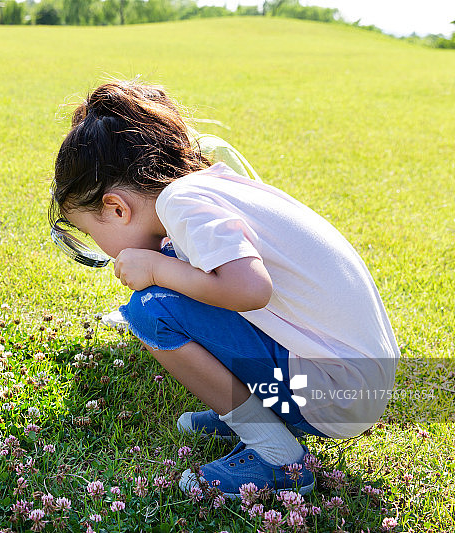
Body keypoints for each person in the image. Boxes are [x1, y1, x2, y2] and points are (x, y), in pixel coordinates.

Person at [48, 79, 399, 497]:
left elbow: (249, 290)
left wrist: (157, 269)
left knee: (150, 310)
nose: (103, 251)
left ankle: (276, 454)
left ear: (117, 207)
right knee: (179, 291)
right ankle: (259, 410)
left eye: (91, 234)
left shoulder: (179, 202)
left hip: (333, 393)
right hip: (357, 381)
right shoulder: (214, 185)